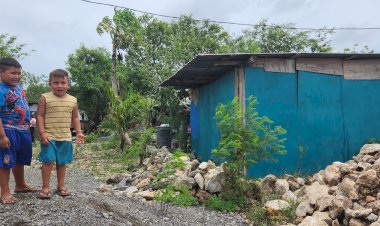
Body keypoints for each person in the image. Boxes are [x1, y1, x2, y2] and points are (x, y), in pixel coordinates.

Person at [36, 69, 84, 199]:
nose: (59, 86)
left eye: (63, 82)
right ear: (50, 84)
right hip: (49, 136)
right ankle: (45, 188)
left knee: (62, 162)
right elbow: (39, 115)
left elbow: (75, 118)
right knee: (48, 161)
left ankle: (60, 186)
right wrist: (42, 133)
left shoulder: (73, 100)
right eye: (55, 82)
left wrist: (78, 132)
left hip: (65, 137)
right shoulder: (45, 97)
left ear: (68, 84)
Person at [0, 58, 37, 204]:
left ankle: (20, 185)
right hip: (7, 130)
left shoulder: (18, 87)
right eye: (13, 73)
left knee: (20, 159)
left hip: (23, 130)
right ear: (1, 73)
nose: (17, 76)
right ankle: (5, 192)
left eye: (19, 73)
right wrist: (2, 136)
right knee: (5, 161)